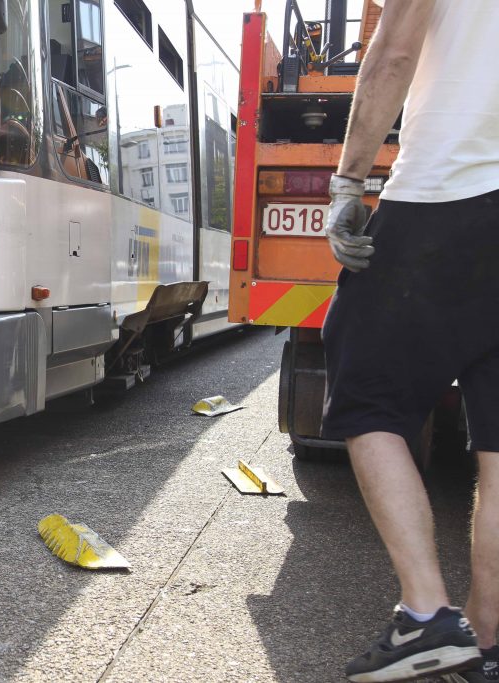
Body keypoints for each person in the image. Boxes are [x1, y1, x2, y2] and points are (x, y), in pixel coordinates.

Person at [322, 1, 499, 681]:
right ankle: (485, 639)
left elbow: (394, 51)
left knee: (366, 389)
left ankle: (426, 614)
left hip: (449, 191)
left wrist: (348, 181)